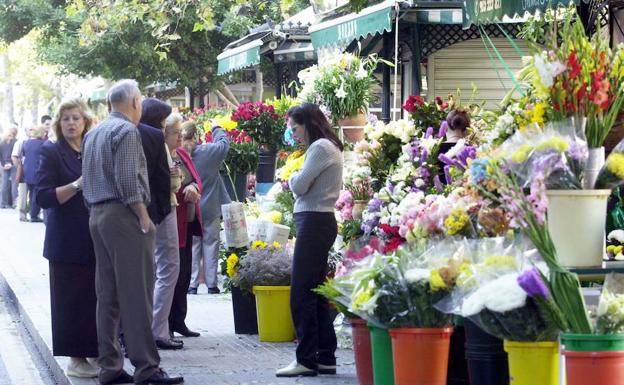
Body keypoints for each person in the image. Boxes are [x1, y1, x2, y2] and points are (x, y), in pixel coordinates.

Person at [82, 79, 183, 385]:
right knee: (137, 293)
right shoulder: (126, 131)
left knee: (108, 294)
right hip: (124, 214)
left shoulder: (94, 132)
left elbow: (86, 180)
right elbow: (129, 181)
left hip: (98, 214)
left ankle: (110, 367)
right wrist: (143, 217)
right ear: (136, 102)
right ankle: (147, 368)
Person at [276, 103, 343, 378]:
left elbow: (300, 185)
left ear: (309, 124)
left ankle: (306, 359)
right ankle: (325, 356)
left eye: (296, 127)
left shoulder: (320, 148)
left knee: (301, 291)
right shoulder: (325, 147)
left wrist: (291, 176)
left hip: (315, 221)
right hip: (317, 221)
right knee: (314, 292)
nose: (294, 134)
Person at [34, 98, 98, 378]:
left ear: (85, 121)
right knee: (70, 301)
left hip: (94, 237)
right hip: (65, 242)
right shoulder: (52, 152)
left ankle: (93, 352)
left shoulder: (89, 150)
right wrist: (76, 185)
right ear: (59, 124)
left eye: (76, 118)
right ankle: (75, 357)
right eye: (65, 119)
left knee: (93, 298)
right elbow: (44, 197)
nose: (71, 123)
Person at [138, 98, 183, 351]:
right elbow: (170, 182)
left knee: (155, 269)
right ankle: (159, 330)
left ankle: (155, 328)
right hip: (164, 208)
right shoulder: (156, 139)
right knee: (169, 267)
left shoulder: (137, 135)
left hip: (148, 209)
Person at [167, 116, 202, 338]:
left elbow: (198, 180)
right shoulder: (161, 155)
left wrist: (193, 187)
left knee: (185, 271)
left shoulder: (181, 154)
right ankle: (166, 325)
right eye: (176, 133)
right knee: (171, 273)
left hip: (186, 220)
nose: (181, 137)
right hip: (170, 221)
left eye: (181, 132)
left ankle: (179, 320)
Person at [188, 121, 230, 295]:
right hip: (211, 206)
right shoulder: (208, 152)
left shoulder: (181, 155)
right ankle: (212, 284)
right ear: (196, 136)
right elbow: (224, 144)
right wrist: (216, 128)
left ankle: (192, 284)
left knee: (193, 246)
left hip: (191, 208)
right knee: (211, 243)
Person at [22, 125, 47, 222]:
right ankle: (34, 215)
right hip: (37, 170)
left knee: (32, 193)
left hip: (27, 170)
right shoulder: (43, 144)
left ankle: (32, 213)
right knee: (36, 194)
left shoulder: (27, 143)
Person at [12, 126, 31, 221]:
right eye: (30, 129)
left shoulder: (35, 141)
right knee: (23, 193)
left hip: (32, 171)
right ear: (26, 130)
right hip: (23, 171)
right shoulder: (21, 142)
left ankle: (32, 213)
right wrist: (19, 167)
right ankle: (22, 214)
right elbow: (14, 156)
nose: (32, 131)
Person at [0, 126, 17, 208]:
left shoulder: (1, 143)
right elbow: (15, 154)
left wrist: (3, 164)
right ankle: (14, 203)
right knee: (14, 183)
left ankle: (3, 203)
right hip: (13, 164)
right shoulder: (15, 142)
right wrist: (11, 163)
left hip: (4, 165)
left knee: (4, 184)